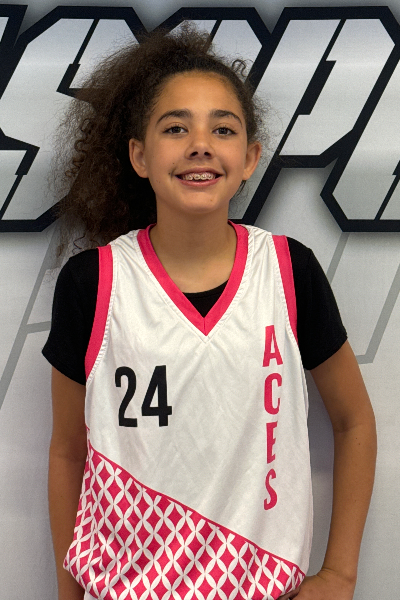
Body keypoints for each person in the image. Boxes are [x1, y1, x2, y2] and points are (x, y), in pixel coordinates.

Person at [43, 25, 377, 600]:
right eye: (176, 128)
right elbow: (68, 451)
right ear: (139, 156)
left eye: (223, 129)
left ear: (249, 158)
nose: (200, 144)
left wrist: (341, 574)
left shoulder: (287, 271)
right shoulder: (93, 282)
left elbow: (355, 423)